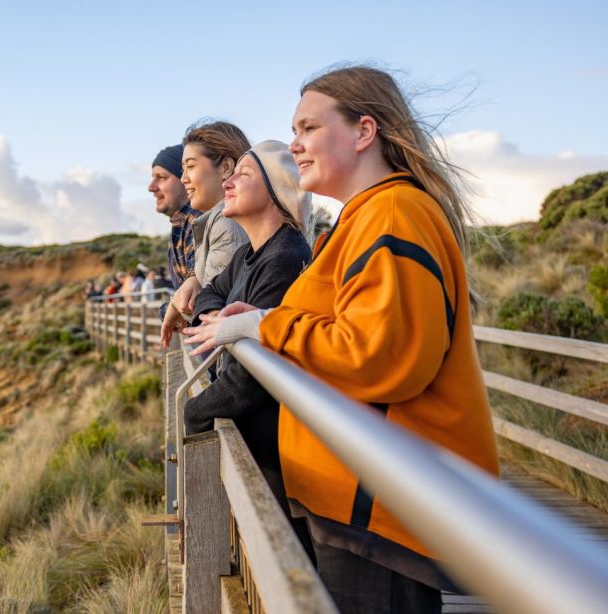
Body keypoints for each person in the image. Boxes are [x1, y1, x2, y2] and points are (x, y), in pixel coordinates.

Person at [184, 66, 499, 613]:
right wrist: (263, 319)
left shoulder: (394, 214)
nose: (295, 144)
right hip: (359, 501)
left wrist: (263, 325)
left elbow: (380, 355)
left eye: (308, 128)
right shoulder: (365, 218)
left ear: (363, 132)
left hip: (383, 507)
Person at [181, 140, 315, 554]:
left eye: (245, 173)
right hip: (261, 440)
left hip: (280, 451)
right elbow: (209, 292)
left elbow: (252, 378)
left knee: (286, 553)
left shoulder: (285, 258)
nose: (230, 179)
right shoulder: (248, 255)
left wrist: (195, 410)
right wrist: (219, 320)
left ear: (277, 191)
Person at [160, 120, 250, 347]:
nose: (184, 178)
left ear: (226, 168)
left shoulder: (227, 223)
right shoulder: (214, 221)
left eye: (190, 166)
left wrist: (172, 307)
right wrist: (193, 279)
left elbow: (213, 312)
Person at [149, 144, 200, 289]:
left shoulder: (198, 223)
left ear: (185, 179)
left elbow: (192, 300)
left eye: (161, 177)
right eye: (153, 178)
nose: (151, 187)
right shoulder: (180, 225)